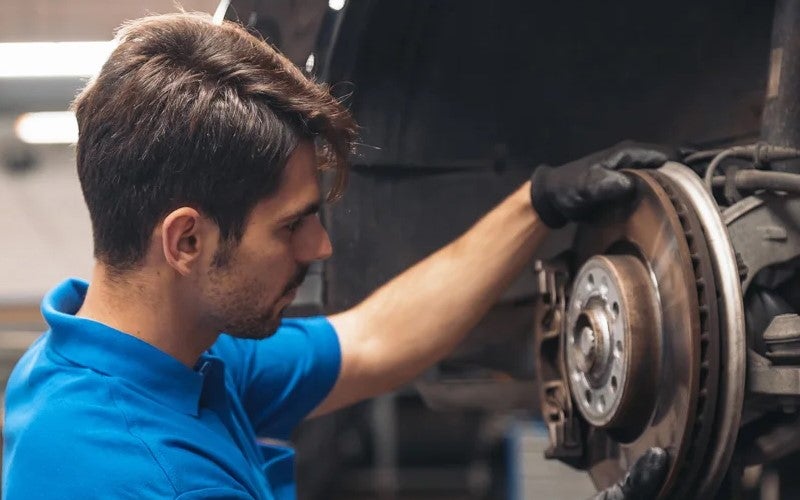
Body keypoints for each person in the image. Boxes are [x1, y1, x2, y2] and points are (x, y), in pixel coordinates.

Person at [2, 12, 668, 500]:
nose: (320, 246)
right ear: (186, 242)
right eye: (291, 226)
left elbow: (373, 340)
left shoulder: (148, 359)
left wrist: (536, 203)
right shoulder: (146, 475)